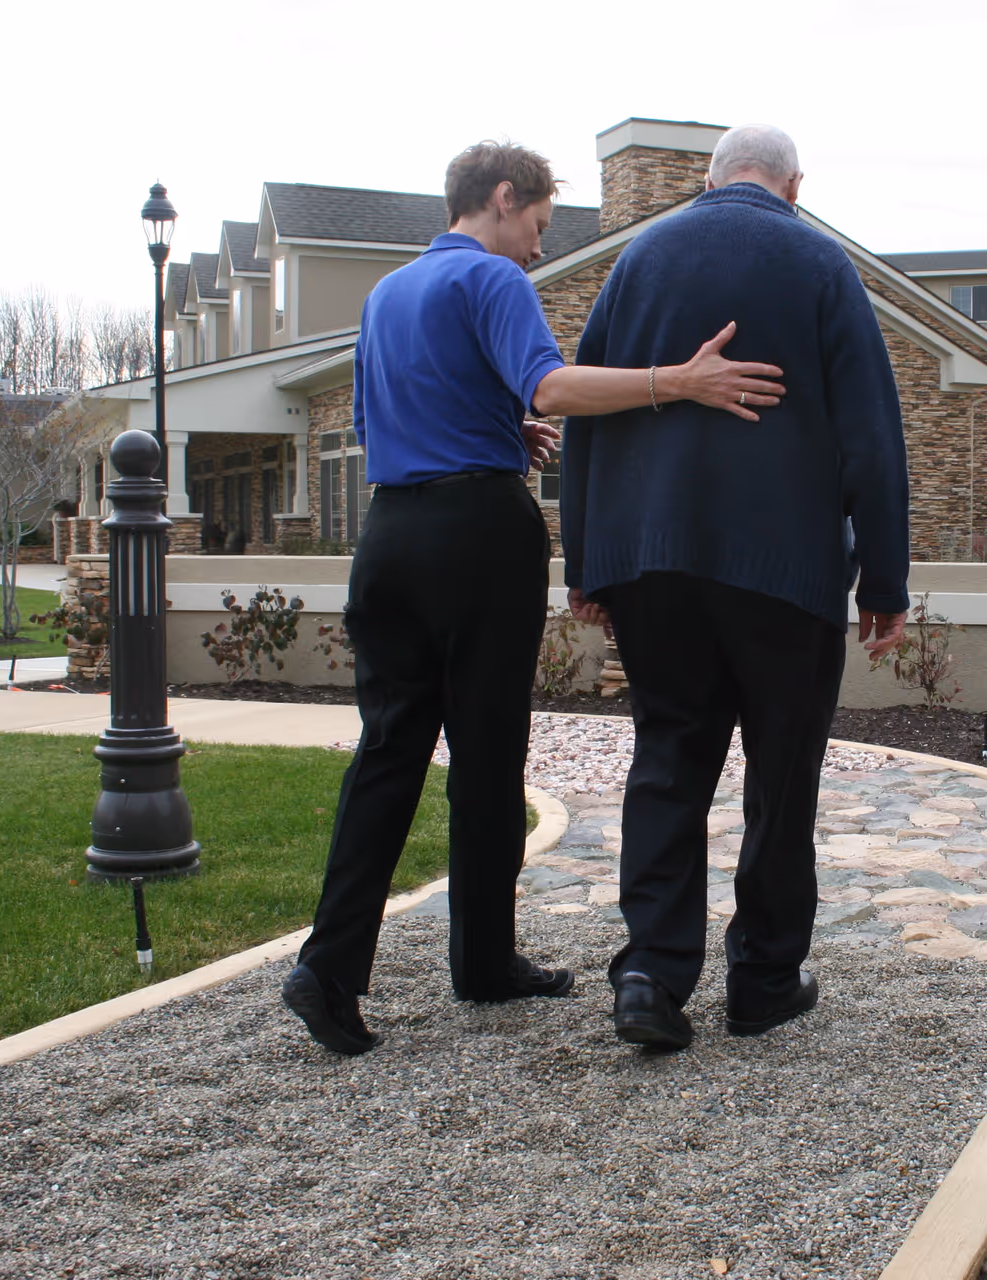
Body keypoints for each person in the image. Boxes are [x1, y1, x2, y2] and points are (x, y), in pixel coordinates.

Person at [281, 140, 785, 1056]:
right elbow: (552, 386)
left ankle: (329, 967)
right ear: (503, 199)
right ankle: (481, 960)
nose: (537, 252)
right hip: (477, 536)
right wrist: (679, 382)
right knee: (486, 752)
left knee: (389, 753)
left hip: (387, 537)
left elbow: (372, 422)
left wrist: (493, 425)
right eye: (540, 229)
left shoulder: (387, 295)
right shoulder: (491, 281)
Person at [561, 125, 910, 1052]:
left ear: (712, 180)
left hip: (654, 564)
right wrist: (884, 576)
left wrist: (586, 562)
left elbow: (589, 409)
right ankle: (760, 980)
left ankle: (649, 974)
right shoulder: (817, 261)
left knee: (669, 760)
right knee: (782, 774)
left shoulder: (641, 258)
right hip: (781, 572)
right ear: (794, 185)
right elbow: (872, 433)